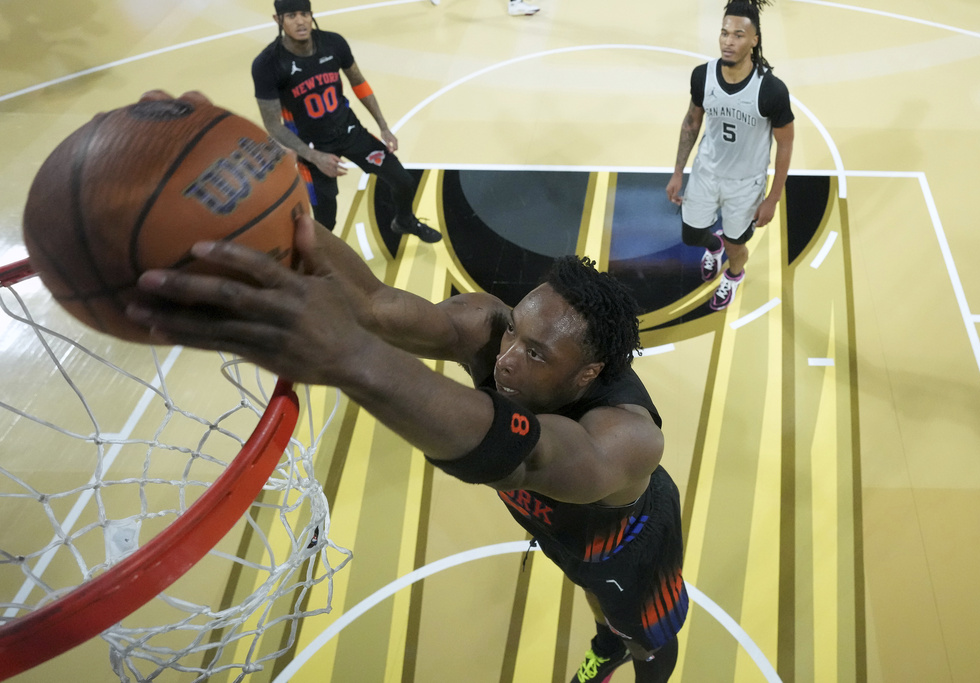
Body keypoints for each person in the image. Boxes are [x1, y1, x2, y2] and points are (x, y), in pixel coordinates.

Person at [127, 88, 687, 683]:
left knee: (646, 637)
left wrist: (348, 357)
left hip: (625, 547)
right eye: (514, 332)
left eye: (535, 354)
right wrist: (271, 209)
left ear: (588, 374)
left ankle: (626, 650)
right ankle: (608, 639)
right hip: (557, 530)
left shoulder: (628, 440)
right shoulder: (487, 328)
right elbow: (375, 305)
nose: (506, 358)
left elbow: (522, 457)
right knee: (593, 597)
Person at [251, 0, 441, 242]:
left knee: (403, 181)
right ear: (278, 20)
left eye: (304, 14)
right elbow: (273, 125)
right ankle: (317, 256)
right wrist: (314, 157)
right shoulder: (267, 64)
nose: (300, 21)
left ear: (311, 15)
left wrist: (384, 127)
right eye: (291, 16)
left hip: (350, 132)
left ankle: (404, 220)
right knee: (326, 220)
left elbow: (358, 82)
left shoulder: (333, 43)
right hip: (312, 149)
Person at [665, 0, 794, 310]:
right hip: (706, 173)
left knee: (737, 246)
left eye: (738, 35)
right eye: (724, 33)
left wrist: (773, 198)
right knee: (692, 235)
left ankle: (734, 275)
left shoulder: (771, 90)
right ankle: (714, 246)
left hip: (745, 184)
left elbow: (786, 144)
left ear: (754, 40)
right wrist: (678, 171)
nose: (728, 41)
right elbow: (691, 122)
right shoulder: (703, 76)